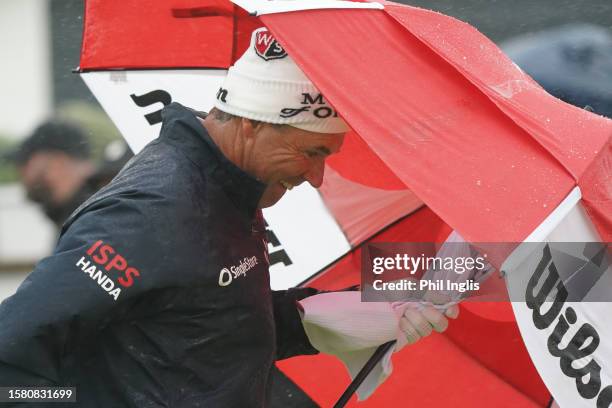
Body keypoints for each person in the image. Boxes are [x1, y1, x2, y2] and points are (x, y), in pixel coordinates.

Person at [0, 28, 457, 407]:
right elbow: (11, 352)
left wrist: (322, 317)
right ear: (250, 124)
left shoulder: (231, 190)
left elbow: (197, 323)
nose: (317, 177)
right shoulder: (150, 211)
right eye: (310, 152)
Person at [6, 121, 133, 228]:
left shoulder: (101, 214)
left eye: (24, 162)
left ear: (57, 163)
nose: (20, 172)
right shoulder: (81, 212)